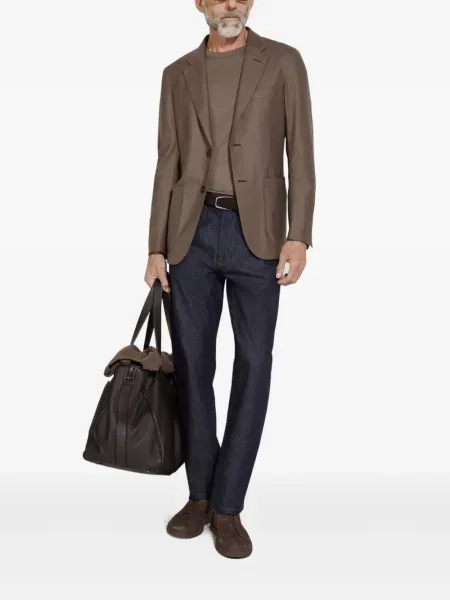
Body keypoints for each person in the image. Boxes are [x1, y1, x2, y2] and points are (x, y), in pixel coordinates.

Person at [144, 0, 315, 559]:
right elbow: (167, 161)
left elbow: (301, 153)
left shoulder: (284, 62)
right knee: (193, 368)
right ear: (200, 4)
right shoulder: (177, 74)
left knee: (254, 364)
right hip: (190, 234)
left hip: (257, 235)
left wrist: (299, 234)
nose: (231, 4)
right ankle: (199, 495)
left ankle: (228, 505)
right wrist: (156, 247)